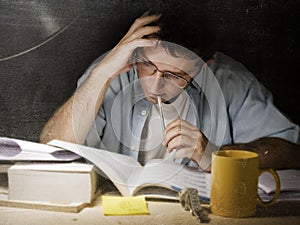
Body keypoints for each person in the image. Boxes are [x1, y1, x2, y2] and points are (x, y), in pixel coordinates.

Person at [40, 13, 299, 171]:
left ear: (204, 66)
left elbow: (290, 151)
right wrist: (100, 75)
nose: (154, 86)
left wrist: (216, 155)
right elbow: (50, 148)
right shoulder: (111, 69)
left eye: (175, 75)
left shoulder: (232, 81)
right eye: (146, 65)